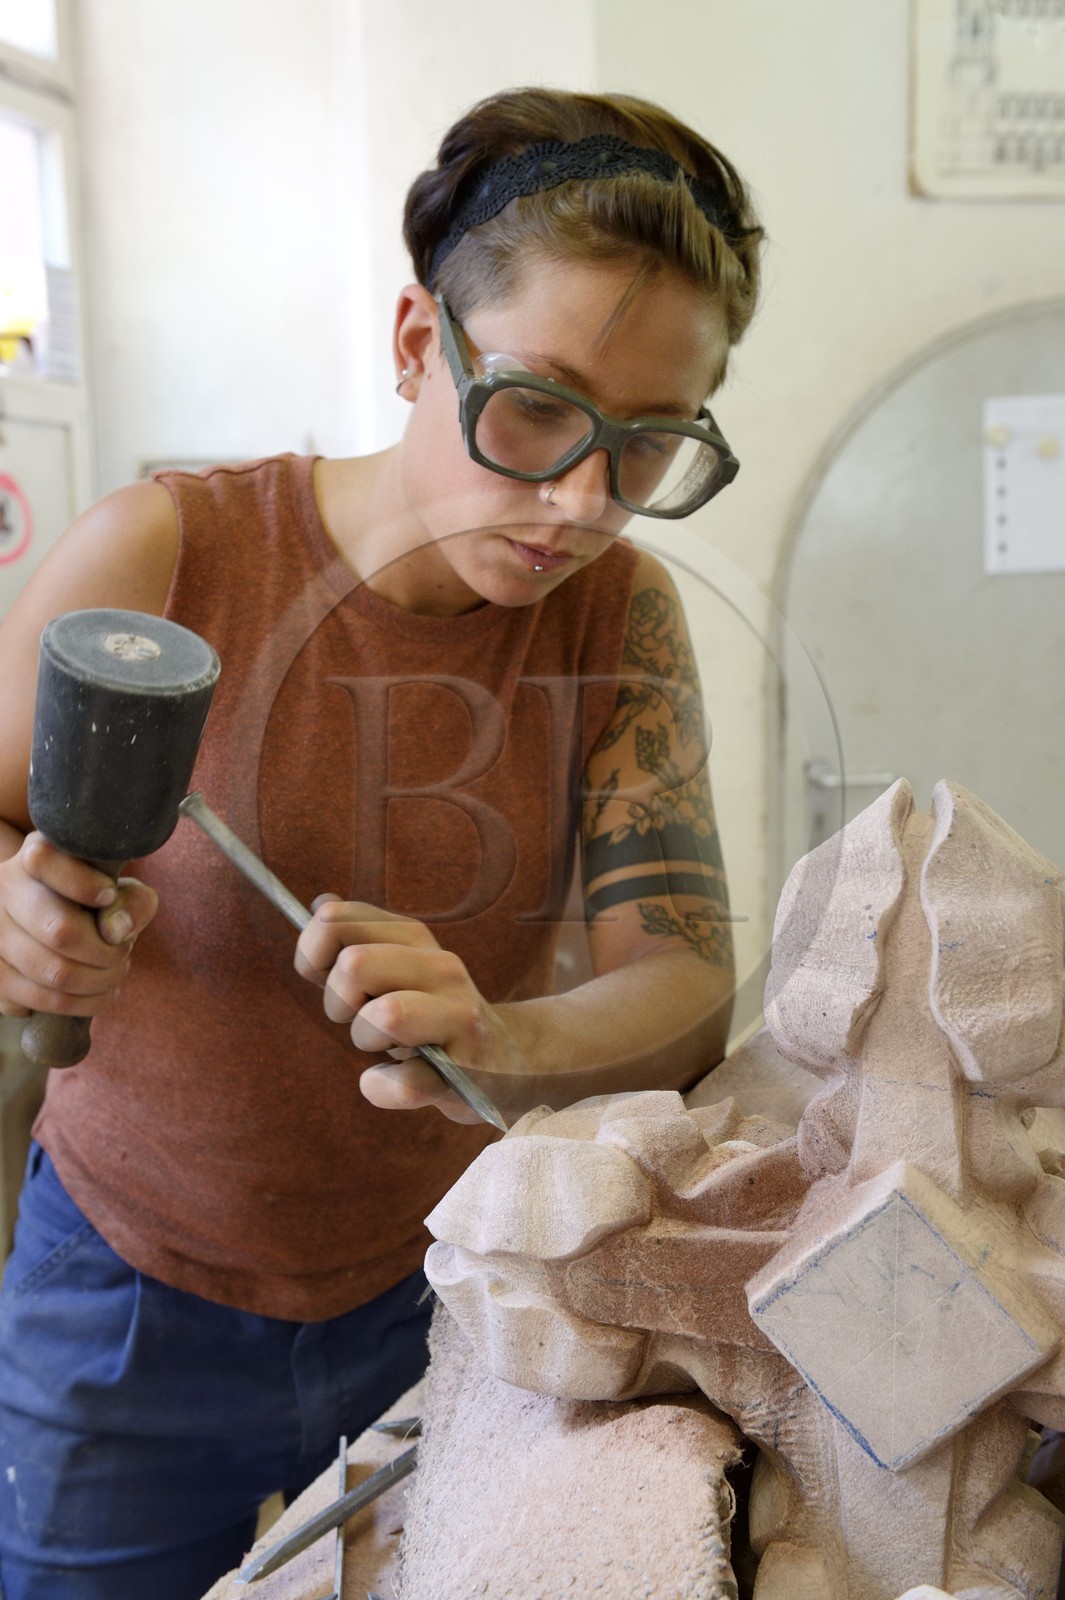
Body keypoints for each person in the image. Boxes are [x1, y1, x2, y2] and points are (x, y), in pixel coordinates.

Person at [0, 86, 763, 1599]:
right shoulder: (166, 555)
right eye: (536, 407)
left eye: (650, 444)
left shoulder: (621, 621)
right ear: (422, 342)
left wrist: (500, 1028)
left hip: (447, 1282)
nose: (581, 501)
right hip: (129, 1289)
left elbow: (682, 987)